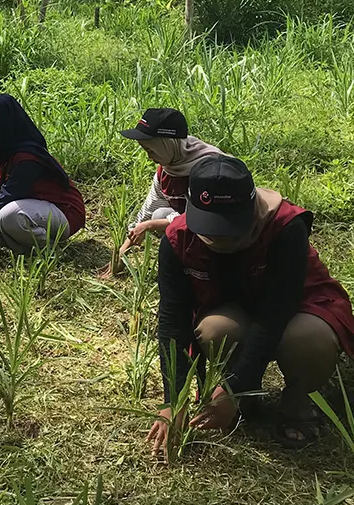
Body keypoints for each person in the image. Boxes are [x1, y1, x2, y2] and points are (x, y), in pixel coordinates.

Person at [147, 155, 354, 455]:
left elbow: (275, 313)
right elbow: (172, 321)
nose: (218, 238)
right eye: (210, 226)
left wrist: (231, 387)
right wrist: (173, 400)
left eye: (228, 227)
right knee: (215, 330)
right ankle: (246, 398)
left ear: (252, 208)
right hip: (235, 311)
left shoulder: (285, 228)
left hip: (295, 310)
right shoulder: (177, 240)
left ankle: (297, 400)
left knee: (310, 340)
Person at [0, 94, 85, 254]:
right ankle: (3, 242)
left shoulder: (27, 157)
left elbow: (5, 199)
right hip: (22, 206)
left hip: (61, 211)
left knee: (9, 215)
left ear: (0, 128)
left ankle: (48, 248)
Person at [104, 108, 222, 275]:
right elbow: (148, 209)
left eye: (151, 150)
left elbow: (199, 219)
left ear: (168, 143)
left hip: (220, 234)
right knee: (159, 214)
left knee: (159, 220)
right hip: (194, 227)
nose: (149, 157)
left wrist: (149, 226)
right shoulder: (169, 168)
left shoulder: (209, 168)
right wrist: (121, 254)